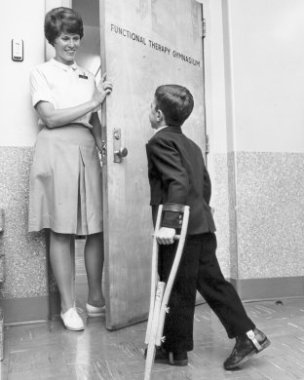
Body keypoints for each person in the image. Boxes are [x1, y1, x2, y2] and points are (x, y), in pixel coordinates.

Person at [145, 84, 270, 370]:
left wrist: (170, 224)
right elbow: (203, 185)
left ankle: (176, 351)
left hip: (180, 229)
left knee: (175, 286)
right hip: (201, 225)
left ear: (158, 113)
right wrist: (199, 213)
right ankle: (249, 335)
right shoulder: (191, 145)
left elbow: (177, 182)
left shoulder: (159, 142)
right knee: (213, 283)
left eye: (150, 105)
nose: (149, 109)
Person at [28, 7, 113, 331]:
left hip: (86, 149)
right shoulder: (41, 72)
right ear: (53, 39)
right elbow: (49, 116)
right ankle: (67, 306)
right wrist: (93, 102)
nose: (72, 43)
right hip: (56, 148)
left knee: (96, 226)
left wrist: (103, 144)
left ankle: (95, 297)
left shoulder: (88, 75)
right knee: (61, 229)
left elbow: (93, 121)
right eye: (66, 37)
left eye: (76, 37)